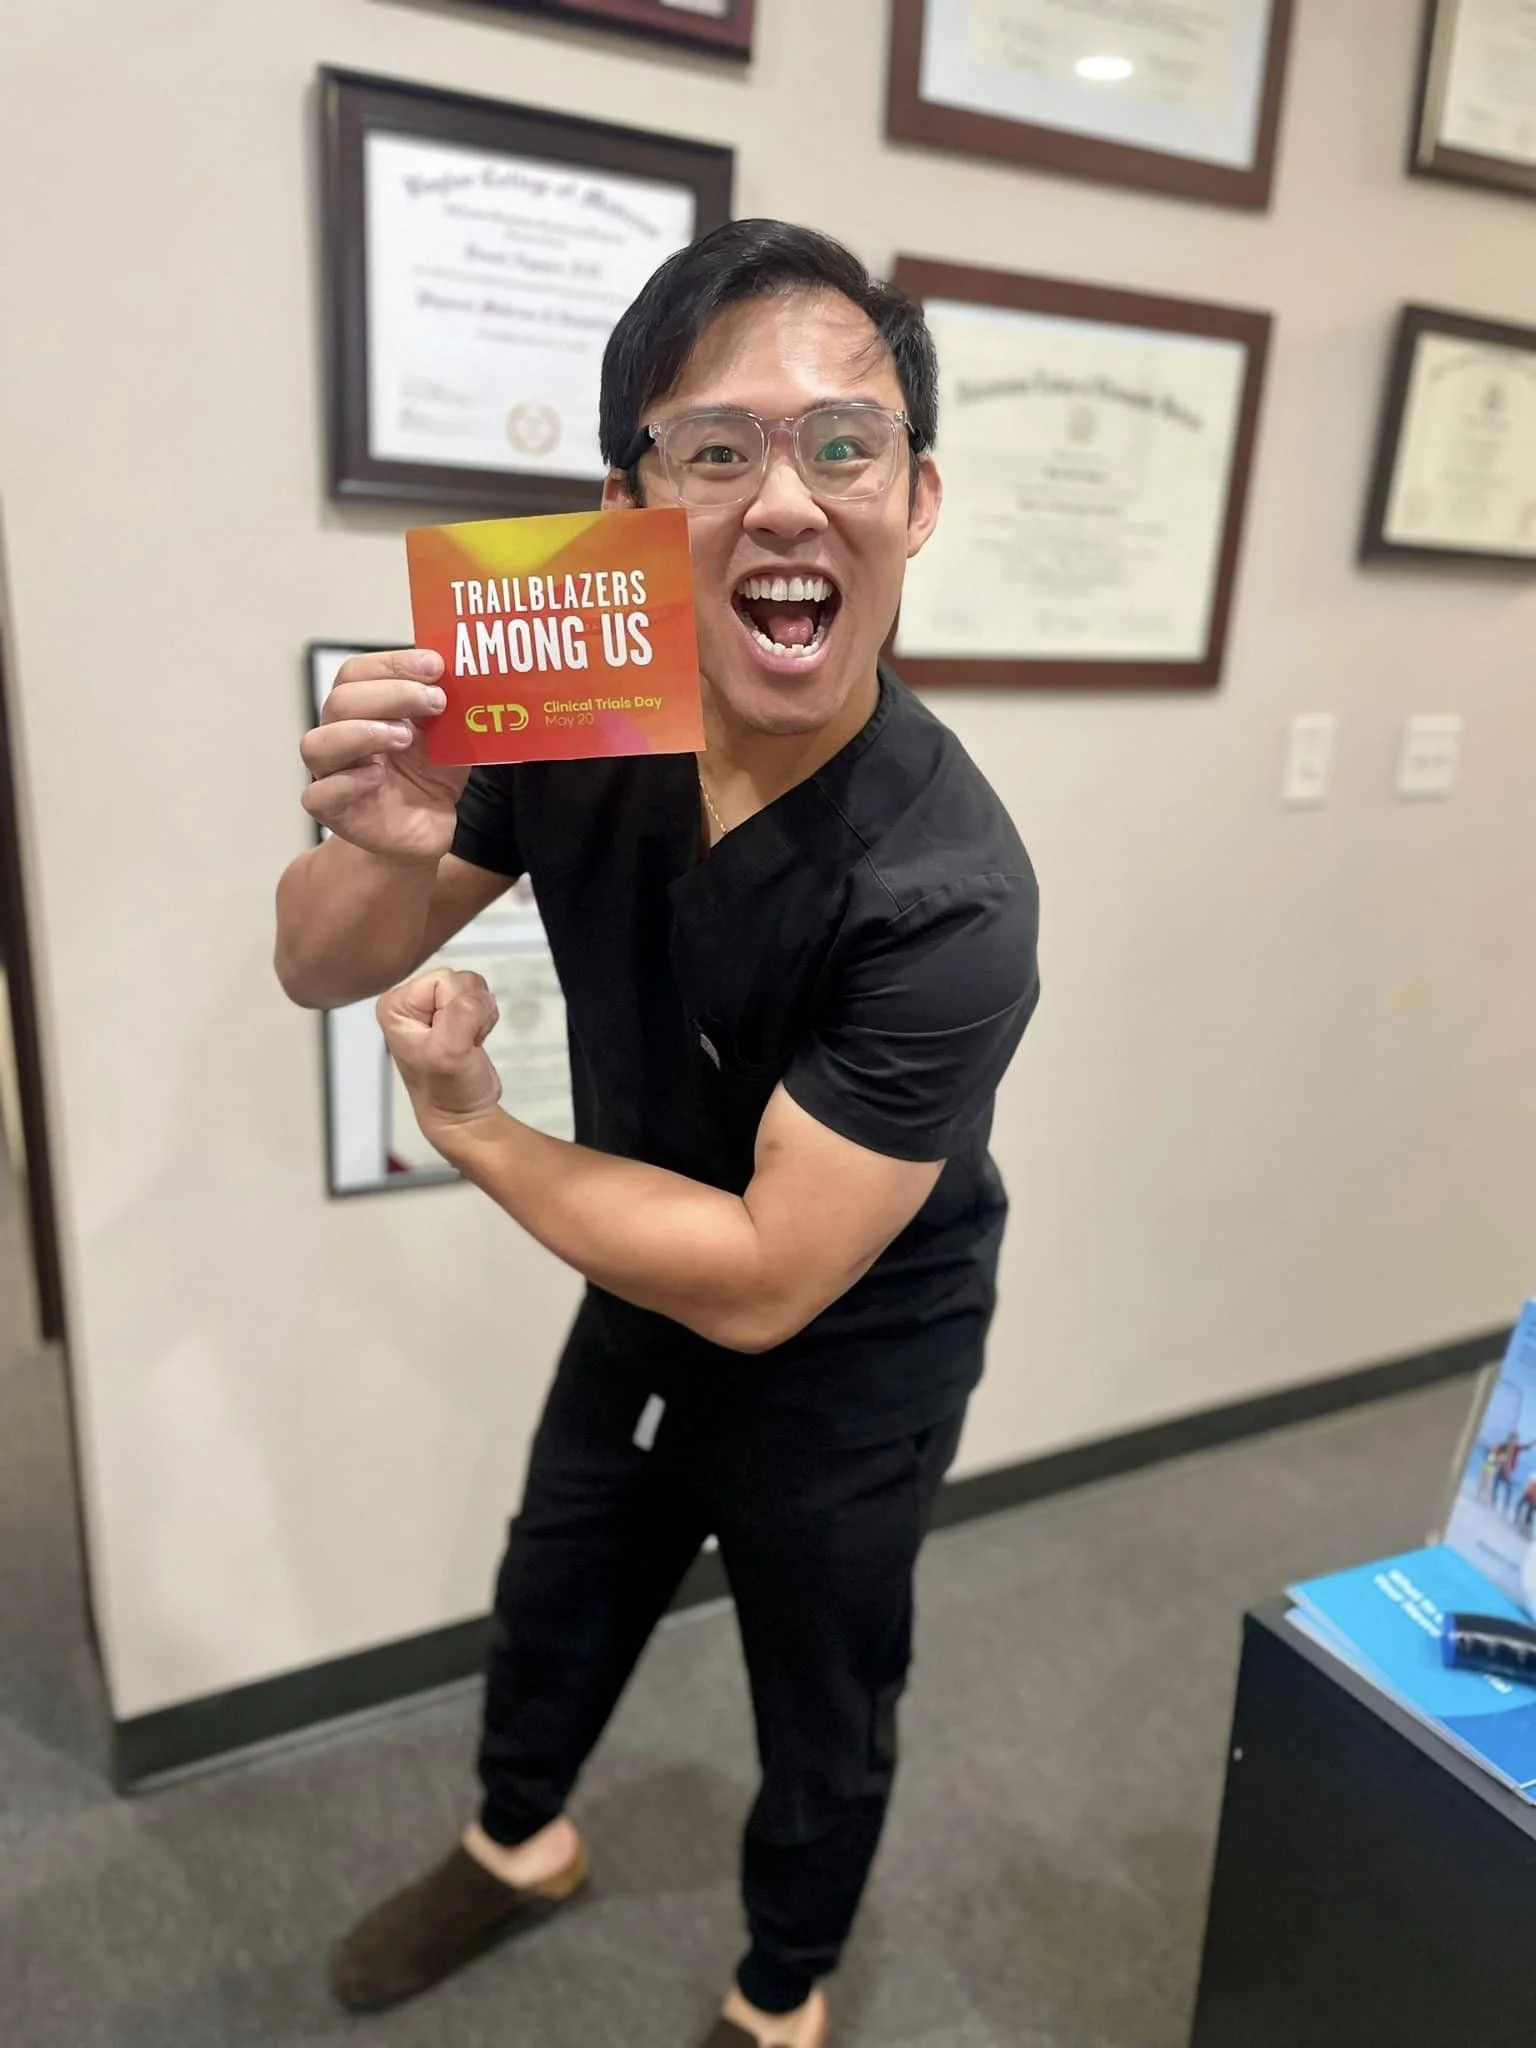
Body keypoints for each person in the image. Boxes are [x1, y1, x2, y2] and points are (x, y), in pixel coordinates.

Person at [274, 219, 1040, 2048]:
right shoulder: (568, 709)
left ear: (916, 497)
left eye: (843, 443)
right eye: (717, 449)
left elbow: (774, 1281)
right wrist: (381, 841)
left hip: (855, 1339)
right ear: (631, 498)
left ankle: (782, 1994)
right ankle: (520, 1839)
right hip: (634, 1262)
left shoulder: (947, 887)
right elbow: (317, 963)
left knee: (823, 1681)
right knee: (562, 1579)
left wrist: (473, 1127)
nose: (787, 498)